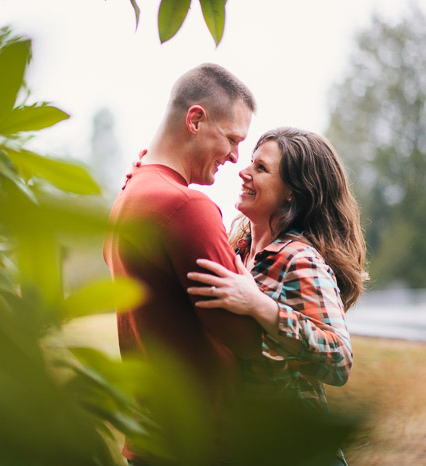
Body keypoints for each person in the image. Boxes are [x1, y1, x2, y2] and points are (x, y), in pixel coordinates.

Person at [102, 63, 263, 465]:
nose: (235, 157)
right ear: (195, 119)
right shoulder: (185, 207)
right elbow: (246, 338)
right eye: (231, 138)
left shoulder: (128, 194)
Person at [187, 127, 367, 465]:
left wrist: (261, 307)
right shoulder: (236, 252)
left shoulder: (300, 259)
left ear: (291, 194)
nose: (243, 171)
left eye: (261, 168)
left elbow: (339, 360)